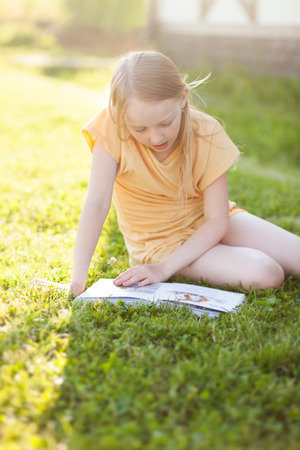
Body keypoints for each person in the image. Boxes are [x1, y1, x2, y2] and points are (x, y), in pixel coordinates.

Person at [66, 50, 299, 297]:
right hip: (161, 244)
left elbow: (217, 220)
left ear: (183, 98)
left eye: (166, 123)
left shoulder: (206, 131)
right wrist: (77, 283)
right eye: (140, 128)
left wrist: (166, 269)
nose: (156, 137)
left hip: (213, 223)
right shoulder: (110, 127)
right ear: (120, 113)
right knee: (266, 272)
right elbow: (97, 204)